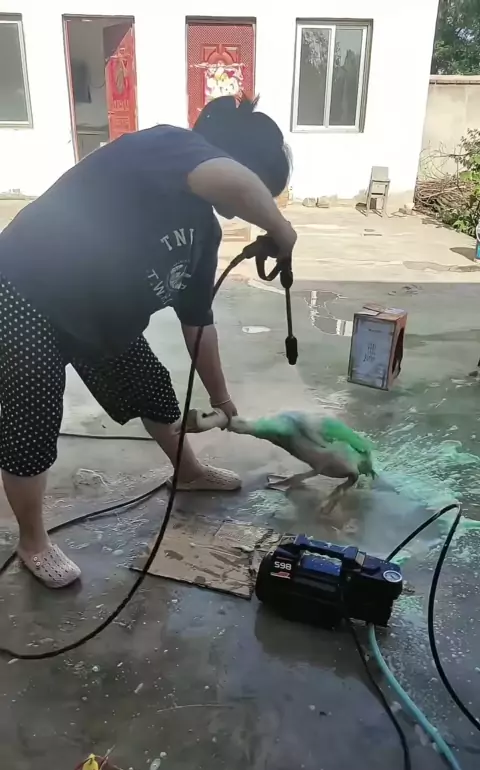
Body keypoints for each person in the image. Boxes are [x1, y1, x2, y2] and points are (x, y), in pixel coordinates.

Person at [0, 95, 297, 589]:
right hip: (25, 290)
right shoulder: (165, 145)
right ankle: (32, 542)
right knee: (32, 423)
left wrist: (223, 401)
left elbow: (197, 321)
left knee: (151, 385)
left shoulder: (203, 231)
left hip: (97, 313)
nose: (258, 203)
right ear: (235, 159)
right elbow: (232, 179)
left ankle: (189, 471)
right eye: (262, 187)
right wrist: (282, 230)